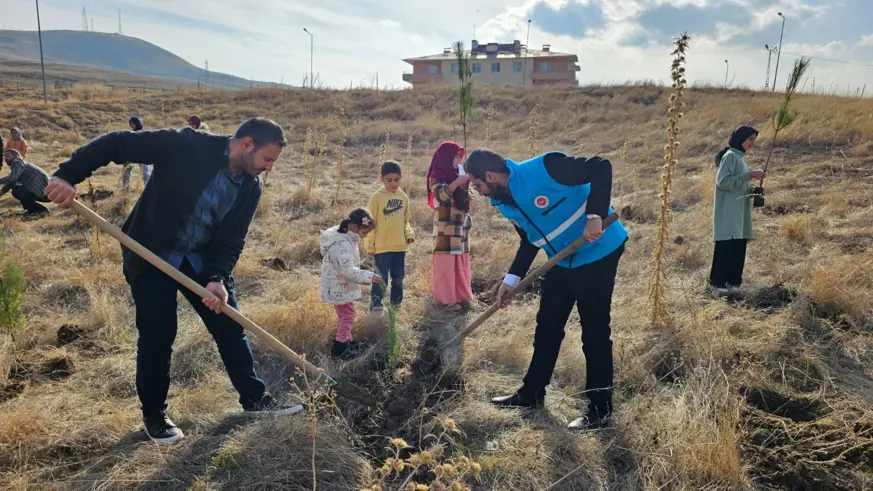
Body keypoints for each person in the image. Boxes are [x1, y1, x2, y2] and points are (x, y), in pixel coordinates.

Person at [44, 117, 303, 445]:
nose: (269, 168)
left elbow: (231, 241)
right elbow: (118, 144)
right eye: (268, 159)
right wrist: (68, 175)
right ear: (246, 144)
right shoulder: (189, 145)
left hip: (200, 262)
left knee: (230, 327)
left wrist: (217, 278)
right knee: (158, 334)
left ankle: (254, 400)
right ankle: (155, 414)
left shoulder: (250, 188)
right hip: (151, 254)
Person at [465, 148, 628, 431]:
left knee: (595, 332)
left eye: (478, 185)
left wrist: (595, 214)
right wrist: (511, 280)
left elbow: (601, 166)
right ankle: (531, 394)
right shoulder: (504, 202)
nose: (479, 193)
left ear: (489, 175)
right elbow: (529, 241)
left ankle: (600, 409)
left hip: (599, 252)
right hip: (563, 260)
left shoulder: (545, 169)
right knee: (548, 326)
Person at [320, 208, 381, 360]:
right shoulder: (343, 244)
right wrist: (369, 276)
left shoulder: (343, 236)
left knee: (345, 314)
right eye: (364, 233)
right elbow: (346, 270)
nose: (365, 236)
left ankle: (347, 339)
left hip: (340, 285)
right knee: (348, 316)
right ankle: (340, 346)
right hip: (339, 286)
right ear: (354, 227)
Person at [709, 125, 763, 295]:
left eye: (753, 140)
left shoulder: (740, 159)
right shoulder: (731, 156)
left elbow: (738, 186)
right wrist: (749, 175)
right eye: (749, 139)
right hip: (728, 213)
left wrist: (753, 190)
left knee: (738, 247)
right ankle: (717, 284)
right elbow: (723, 182)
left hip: (739, 214)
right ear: (740, 139)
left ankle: (733, 283)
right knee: (726, 247)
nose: (751, 143)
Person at [426, 141, 474, 308]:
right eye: (454, 156)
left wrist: (465, 187)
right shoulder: (437, 175)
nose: (458, 160)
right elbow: (441, 195)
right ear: (446, 157)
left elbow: (468, 200)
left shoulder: (459, 174)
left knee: (459, 261)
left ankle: (461, 296)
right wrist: (456, 183)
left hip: (460, 228)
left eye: (459, 156)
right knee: (446, 264)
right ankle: (446, 300)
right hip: (446, 228)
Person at [364, 161, 415, 311]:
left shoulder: (403, 197)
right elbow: (370, 223)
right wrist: (370, 245)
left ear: (401, 178)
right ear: (382, 179)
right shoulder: (377, 198)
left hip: (400, 247)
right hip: (381, 247)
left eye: (396, 180)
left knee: (398, 278)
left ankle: (396, 304)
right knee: (381, 278)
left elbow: (406, 220)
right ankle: (376, 304)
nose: (393, 183)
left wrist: (409, 234)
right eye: (389, 180)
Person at [1, 149, 51, 215]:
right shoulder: (21, 164)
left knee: (17, 190)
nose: (5, 158)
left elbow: (12, 179)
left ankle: (41, 210)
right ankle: (31, 211)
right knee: (18, 189)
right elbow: (12, 180)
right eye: (4, 156)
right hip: (47, 192)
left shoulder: (18, 162)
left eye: (7, 155)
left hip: (45, 193)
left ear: (16, 155)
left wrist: (2, 191)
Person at [121, 117, 151, 191]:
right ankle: (125, 189)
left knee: (145, 173)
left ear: (137, 123)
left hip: (142, 155)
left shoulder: (143, 133)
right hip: (132, 155)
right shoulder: (130, 134)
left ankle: (148, 189)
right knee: (125, 171)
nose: (132, 125)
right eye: (130, 124)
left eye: (133, 124)